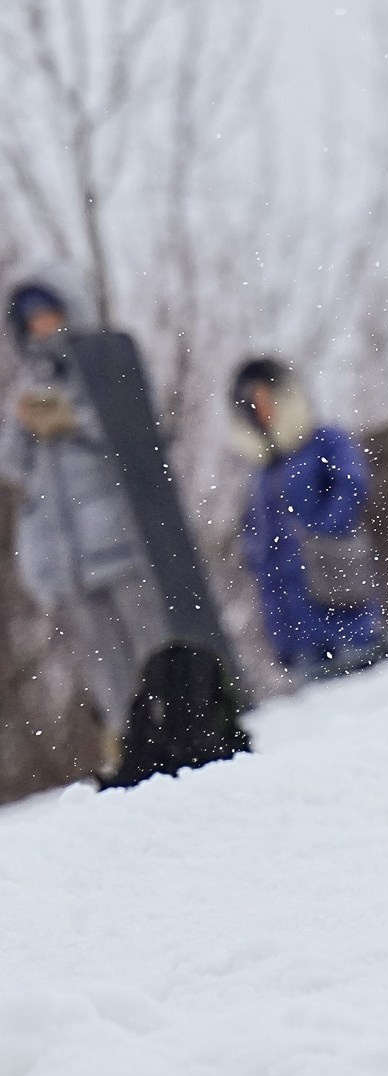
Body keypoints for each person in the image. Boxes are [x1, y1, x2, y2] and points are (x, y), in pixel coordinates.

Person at [0, 269, 171, 773]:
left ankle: (176, 727)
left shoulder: (103, 368)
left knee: (152, 647)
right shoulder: (34, 386)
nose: (41, 328)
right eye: (30, 321)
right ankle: (128, 745)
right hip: (67, 559)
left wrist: (75, 421)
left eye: (49, 314)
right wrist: (25, 425)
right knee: (103, 663)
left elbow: (140, 436)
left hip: (119, 542)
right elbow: (14, 466)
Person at [229, 358, 385, 679]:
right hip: (300, 640)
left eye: (264, 398)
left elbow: (352, 485)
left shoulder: (325, 441)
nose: (259, 410)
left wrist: (323, 531)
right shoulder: (261, 473)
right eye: (250, 403)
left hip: (343, 609)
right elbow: (254, 535)